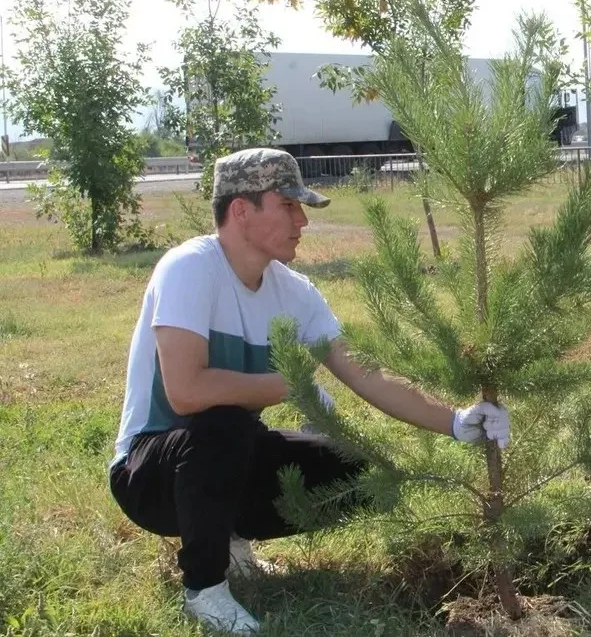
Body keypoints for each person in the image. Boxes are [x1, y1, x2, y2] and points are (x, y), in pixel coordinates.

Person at [108, 147, 511, 635]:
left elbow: (366, 373)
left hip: (228, 456)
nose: (302, 220)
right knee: (222, 421)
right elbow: (186, 393)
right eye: (288, 205)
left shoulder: (295, 293)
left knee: (358, 470)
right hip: (151, 474)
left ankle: (227, 537)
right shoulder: (189, 269)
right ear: (241, 209)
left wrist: (455, 420)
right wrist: (287, 385)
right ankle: (205, 588)